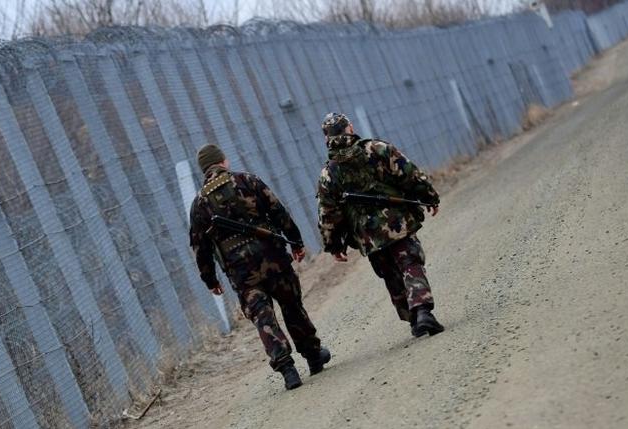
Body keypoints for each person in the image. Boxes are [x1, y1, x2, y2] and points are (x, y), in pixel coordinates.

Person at [189, 144, 330, 390]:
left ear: (204, 169)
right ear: (224, 161)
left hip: (241, 271)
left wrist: (210, 279)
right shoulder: (247, 180)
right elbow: (278, 211)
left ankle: (287, 369)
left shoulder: (199, 203)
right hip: (273, 257)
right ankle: (314, 356)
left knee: (262, 316)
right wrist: (295, 241)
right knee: (292, 306)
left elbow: (200, 247)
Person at [316, 112, 445, 337]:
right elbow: (408, 173)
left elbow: (328, 213)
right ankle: (423, 311)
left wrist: (334, 245)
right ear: (349, 127)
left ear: (326, 138)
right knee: (409, 262)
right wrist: (429, 196)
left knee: (389, 273)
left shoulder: (329, 173)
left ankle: (414, 319)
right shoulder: (376, 148)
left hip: (367, 234)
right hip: (397, 221)